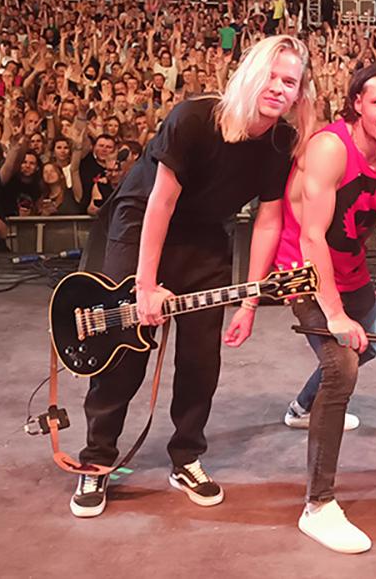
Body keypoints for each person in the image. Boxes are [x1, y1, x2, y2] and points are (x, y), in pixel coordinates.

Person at [68, 35, 316, 519]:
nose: (278, 88)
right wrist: (144, 286)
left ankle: (186, 457)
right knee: (126, 348)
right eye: (270, 75)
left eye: (289, 81)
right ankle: (97, 458)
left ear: (299, 92)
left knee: (202, 357)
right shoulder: (194, 118)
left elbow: (268, 220)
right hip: (141, 224)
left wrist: (249, 302)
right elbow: (160, 203)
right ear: (249, 74)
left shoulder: (281, 142)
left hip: (205, 234)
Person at [275, 62, 376, 554]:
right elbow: (312, 237)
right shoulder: (330, 148)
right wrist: (335, 315)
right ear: (358, 102)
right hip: (305, 272)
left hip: (353, 270)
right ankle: (318, 505)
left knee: (365, 349)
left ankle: (301, 407)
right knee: (342, 368)